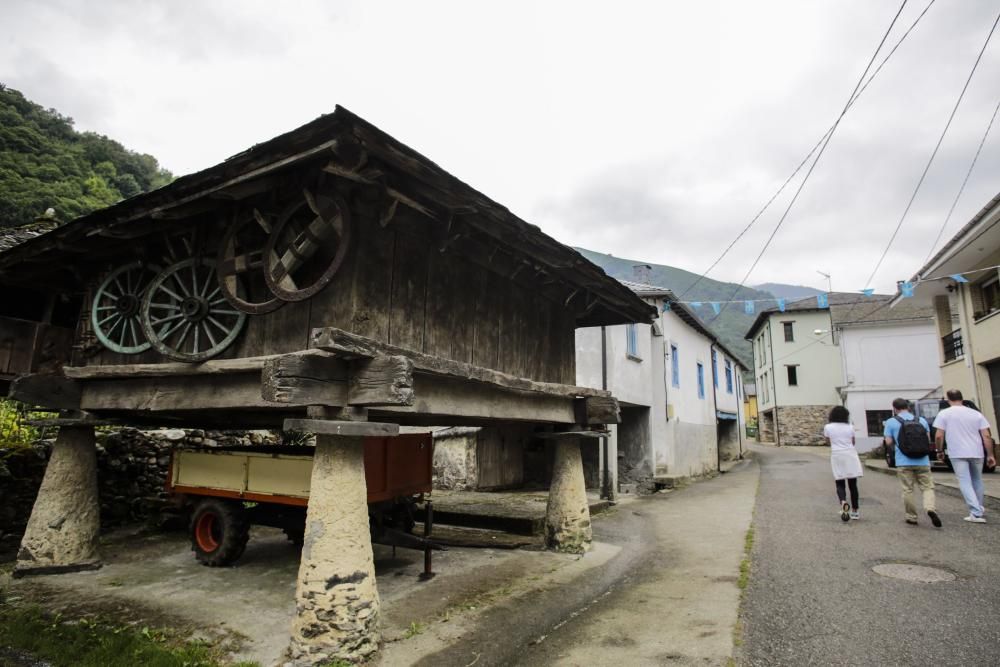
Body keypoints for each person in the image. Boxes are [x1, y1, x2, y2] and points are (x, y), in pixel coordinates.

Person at [933, 389, 996, 524]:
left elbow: (939, 435)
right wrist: (990, 454)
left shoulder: (944, 414)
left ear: (948, 399)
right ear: (962, 398)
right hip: (977, 452)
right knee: (977, 480)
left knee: (964, 481)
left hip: (957, 452)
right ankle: (978, 508)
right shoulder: (976, 414)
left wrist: (939, 450)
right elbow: (986, 436)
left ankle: (976, 512)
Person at [884, 398, 941, 527]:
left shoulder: (891, 422)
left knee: (907, 489)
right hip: (922, 460)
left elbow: (888, 442)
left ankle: (912, 516)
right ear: (908, 407)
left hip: (903, 460)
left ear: (895, 408)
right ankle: (930, 508)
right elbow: (927, 439)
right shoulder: (921, 420)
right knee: (927, 487)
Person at [823, 406, 863, 521]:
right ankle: (855, 511)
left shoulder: (828, 427)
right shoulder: (850, 427)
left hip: (837, 455)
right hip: (850, 454)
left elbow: (827, 441)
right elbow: (853, 442)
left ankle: (843, 502)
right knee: (853, 484)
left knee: (839, 482)